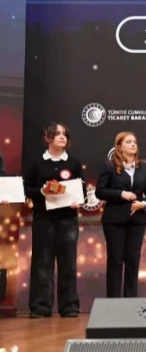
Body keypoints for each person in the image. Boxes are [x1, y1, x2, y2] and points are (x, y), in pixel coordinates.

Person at [22, 122, 83, 318]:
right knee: (42, 262)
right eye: (57, 134)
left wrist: (78, 200)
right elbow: (25, 189)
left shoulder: (73, 163)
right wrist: (41, 191)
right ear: (47, 138)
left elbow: (81, 189)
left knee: (68, 263)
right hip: (43, 218)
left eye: (65, 134)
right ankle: (40, 306)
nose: (62, 137)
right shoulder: (36, 163)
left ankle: (69, 306)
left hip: (68, 219)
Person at [95, 132, 146, 298]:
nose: (133, 144)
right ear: (119, 147)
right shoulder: (109, 166)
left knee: (133, 260)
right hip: (114, 220)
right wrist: (121, 194)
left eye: (134, 142)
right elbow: (100, 191)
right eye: (128, 142)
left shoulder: (144, 168)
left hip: (137, 220)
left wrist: (144, 204)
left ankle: (130, 301)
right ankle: (113, 301)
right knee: (115, 260)